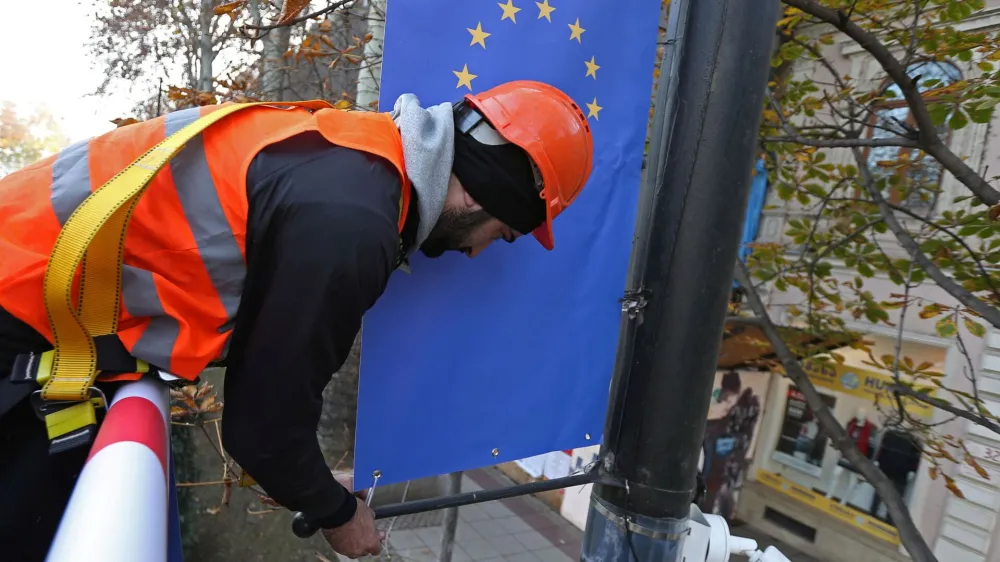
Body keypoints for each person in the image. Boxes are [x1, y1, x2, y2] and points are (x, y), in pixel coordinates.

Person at [0, 80, 594, 561]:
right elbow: (262, 435)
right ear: (486, 194)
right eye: (503, 232)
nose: (480, 251)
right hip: (15, 334)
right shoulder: (353, 224)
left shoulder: (348, 153)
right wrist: (341, 516)